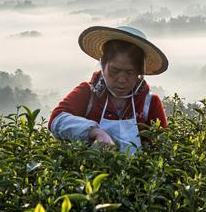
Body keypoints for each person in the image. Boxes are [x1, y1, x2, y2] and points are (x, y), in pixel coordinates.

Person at [49, 25, 169, 155]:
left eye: (130, 72)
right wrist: (95, 131)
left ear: (139, 72)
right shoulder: (87, 93)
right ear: (103, 66)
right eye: (114, 71)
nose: (121, 79)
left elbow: (162, 149)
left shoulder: (149, 104)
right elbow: (57, 119)